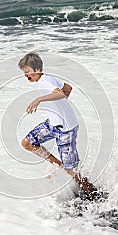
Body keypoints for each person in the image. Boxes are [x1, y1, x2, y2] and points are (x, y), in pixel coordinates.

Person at [18, 52, 97, 200]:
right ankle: (57, 164)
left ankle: (92, 193)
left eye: (27, 72)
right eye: (24, 73)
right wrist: (59, 108)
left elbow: (61, 93)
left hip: (65, 129)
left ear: (36, 70)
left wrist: (39, 99)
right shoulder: (48, 78)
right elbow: (68, 88)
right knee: (27, 143)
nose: (26, 75)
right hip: (53, 124)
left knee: (71, 170)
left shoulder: (45, 82)